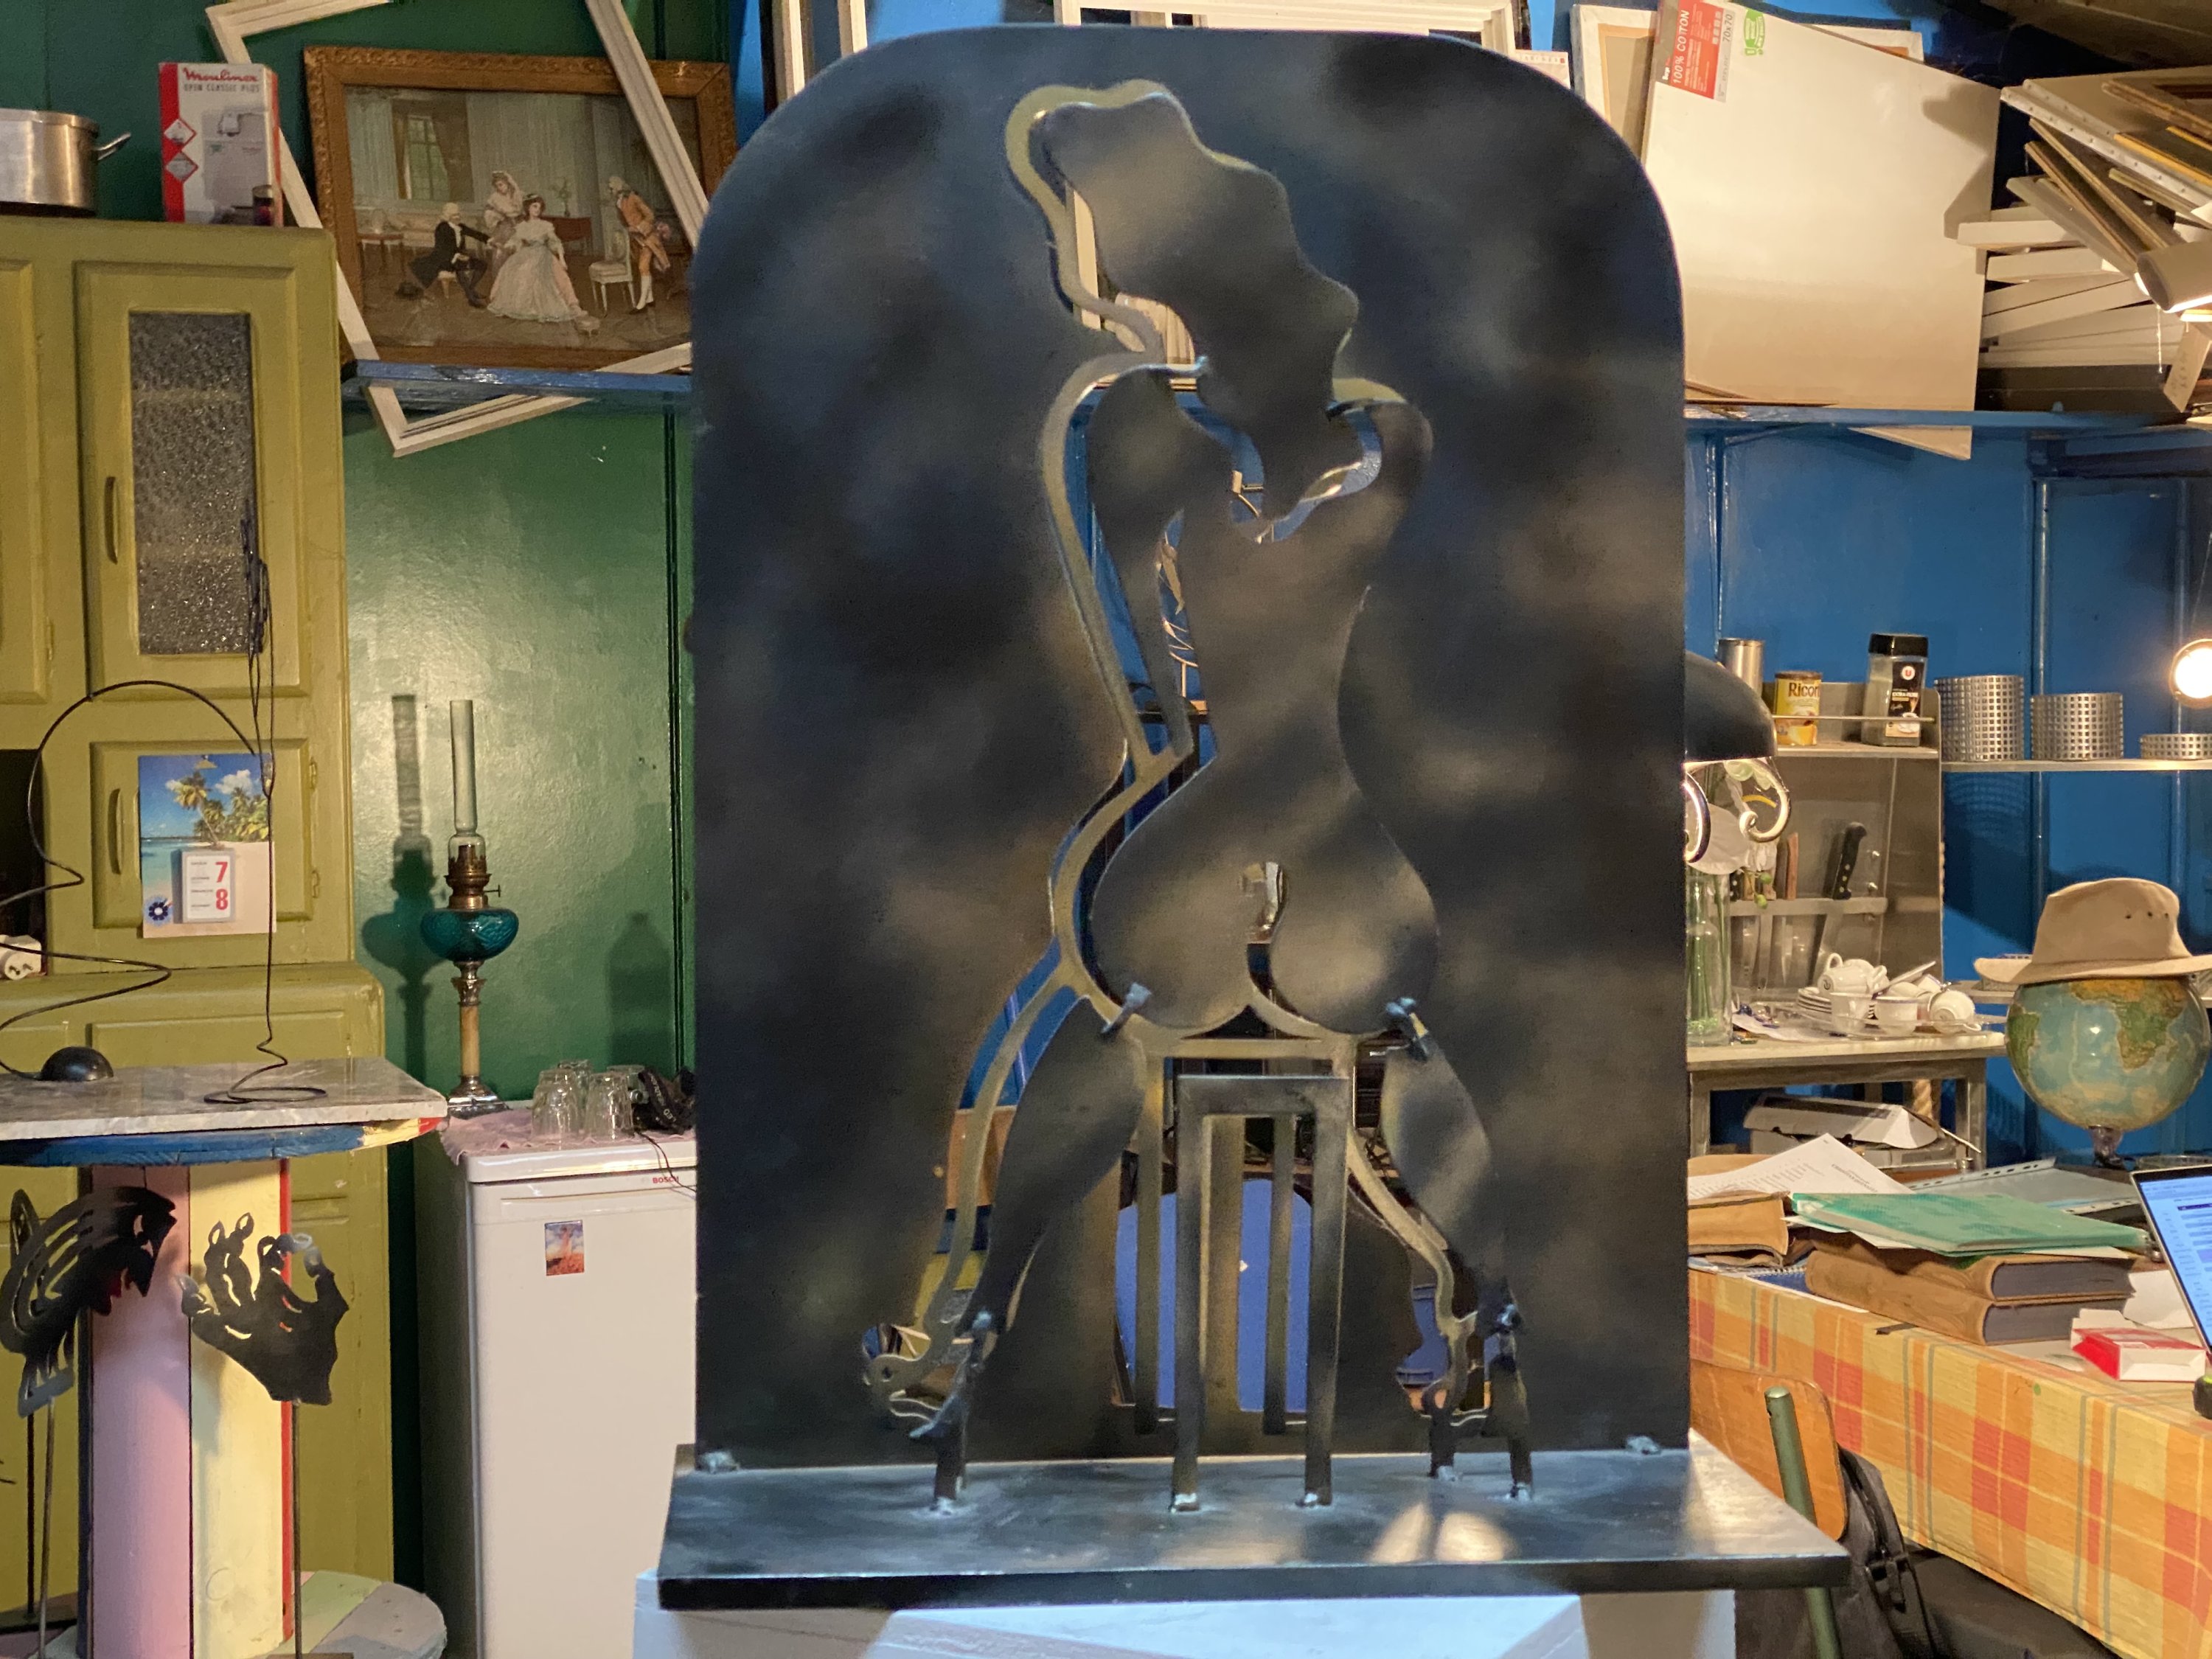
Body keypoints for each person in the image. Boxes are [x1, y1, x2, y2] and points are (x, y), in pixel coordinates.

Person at [486, 195, 590, 325]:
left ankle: (570, 305)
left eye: (539, 208)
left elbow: (556, 243)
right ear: (528, 208)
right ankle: (525, 308)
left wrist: (562, 259)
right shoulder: (522, 226)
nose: (537, 210)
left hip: (543, 255)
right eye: (534, 206)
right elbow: (514, 243)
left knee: (555, 276)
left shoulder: (546, 225)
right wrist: (500, 245)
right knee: (516, 271)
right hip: (525, 254)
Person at [399, 202, 488, 306]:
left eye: (458, 214)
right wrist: (458, 256)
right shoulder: (442, 228)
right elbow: (442, 249)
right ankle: (471, 298)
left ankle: (471, 289)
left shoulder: (461, 227)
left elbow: (476, 234)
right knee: (460, 268)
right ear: (448, 216)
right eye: (454, 215)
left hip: (459, 256)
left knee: (483, 265)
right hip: (445, 259)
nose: (457, 217)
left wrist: (491, 240)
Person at [607, 175, 670, 312]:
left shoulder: (634, 198)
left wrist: (640, 228)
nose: (610, 190)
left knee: (643, 267)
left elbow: (650, 215)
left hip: (648, 237)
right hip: (636, 239)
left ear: (618, 186)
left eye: (611, 187)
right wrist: (629, 229)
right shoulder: (619, 202)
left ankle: (641, 304)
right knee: (644, 268)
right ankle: (650, 299)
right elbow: (624, 221)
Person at [482, 170, 525, 276]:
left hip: (518, 227)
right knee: (501, 253)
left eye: (501, 185)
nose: (499, 188)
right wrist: (498, 216)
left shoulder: (517, 195)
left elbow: (521, 211)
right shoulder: (495, 198)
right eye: (497, 186)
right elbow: (488, 213)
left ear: (507, 183)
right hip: (504, 228)